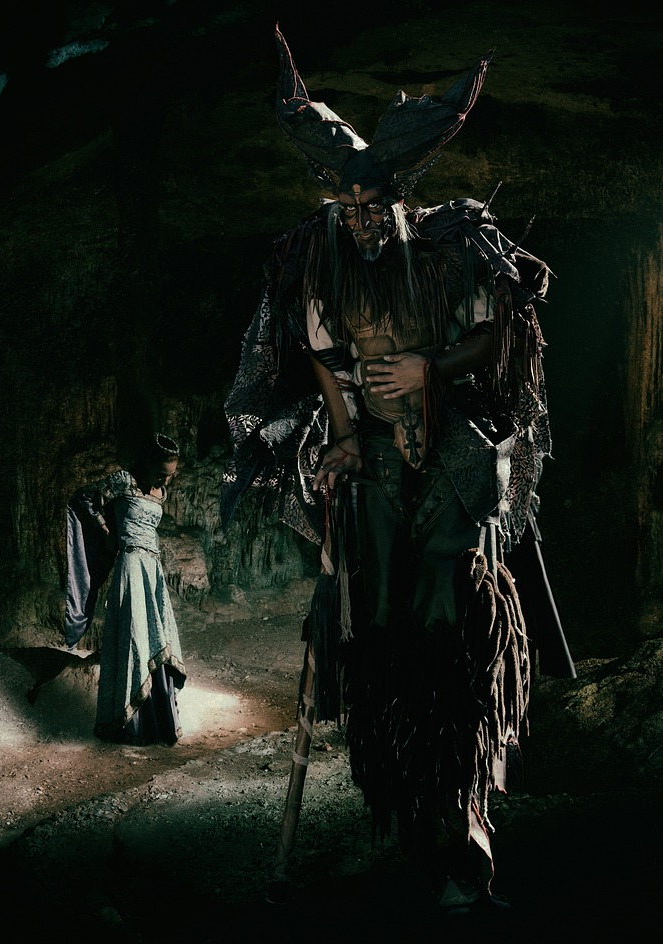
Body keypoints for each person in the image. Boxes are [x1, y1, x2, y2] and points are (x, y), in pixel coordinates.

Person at [222, 27, 562, 911]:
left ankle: (465, 815)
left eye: (375, 207)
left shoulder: (448, 255)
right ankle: (410, 808)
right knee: (377, 616)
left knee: (447, 603)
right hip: (374, 448)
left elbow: (491, 334)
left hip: (450, 442)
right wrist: (341, 434)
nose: (363, 221)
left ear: (401, 201)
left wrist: (427, 370)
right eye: (350, 207)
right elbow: (326, 361)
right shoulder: (323, 260)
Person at [65, 433, 187, 745]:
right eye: (160, 473)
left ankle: (159, 721)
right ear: (147, 463)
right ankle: (131, 725)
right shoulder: (123, 481)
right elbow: (83, 497)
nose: (164, 480)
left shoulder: (160, 491)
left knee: (156, 638)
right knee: (135, 638)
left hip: (153, 569)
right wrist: (105, 530)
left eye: (169, 475)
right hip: (131, 565)